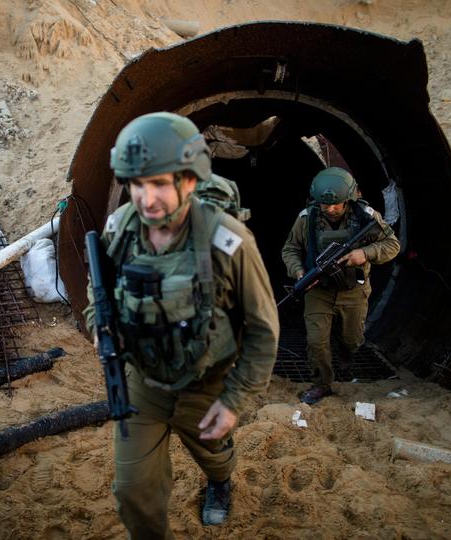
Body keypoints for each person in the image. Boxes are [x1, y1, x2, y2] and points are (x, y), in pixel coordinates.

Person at [83, 112, 279, 538]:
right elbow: (97, 295)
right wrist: (100, 327)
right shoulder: (120, 230)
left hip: (206, 384)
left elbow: (264, 329)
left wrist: (233, 402)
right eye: (136, 185)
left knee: (214, 455)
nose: (145, 199)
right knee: (133, 492)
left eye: (159, 183)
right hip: (142, 384)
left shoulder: (226, 240)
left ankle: (221, 481)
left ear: (189, 180)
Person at [281, 167, 400, 404]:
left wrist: (365, 253)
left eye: (336, 204)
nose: (331, 209)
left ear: (348, 199)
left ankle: (345, 350)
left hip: (352, 290)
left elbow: (392, 245)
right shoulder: (307, 219)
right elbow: (290, 249)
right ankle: (321, 384)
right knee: (316, 342)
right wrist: (299, 271)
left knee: (353, 339)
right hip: (319, 291)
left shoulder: (366, 216)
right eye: (325, 205)